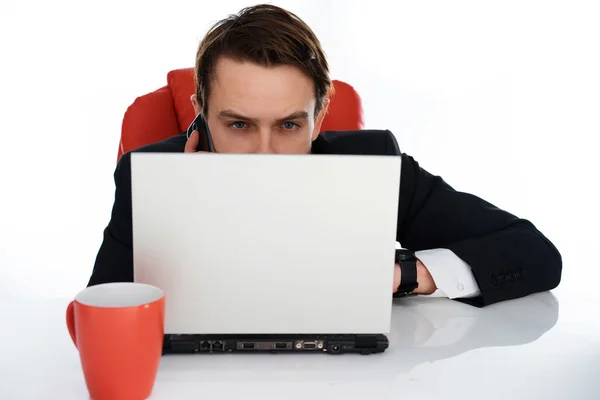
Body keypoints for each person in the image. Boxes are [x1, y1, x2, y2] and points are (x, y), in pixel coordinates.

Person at [87, 4, 561, 307]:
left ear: (321, 114)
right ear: (200, 111)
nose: (265, 155)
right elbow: (101, 308)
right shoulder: (147, 177)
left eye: (290, 125)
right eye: (238, 124)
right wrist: (183, 219)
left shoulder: (376, 165)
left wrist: (403, 274)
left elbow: (535, 254)